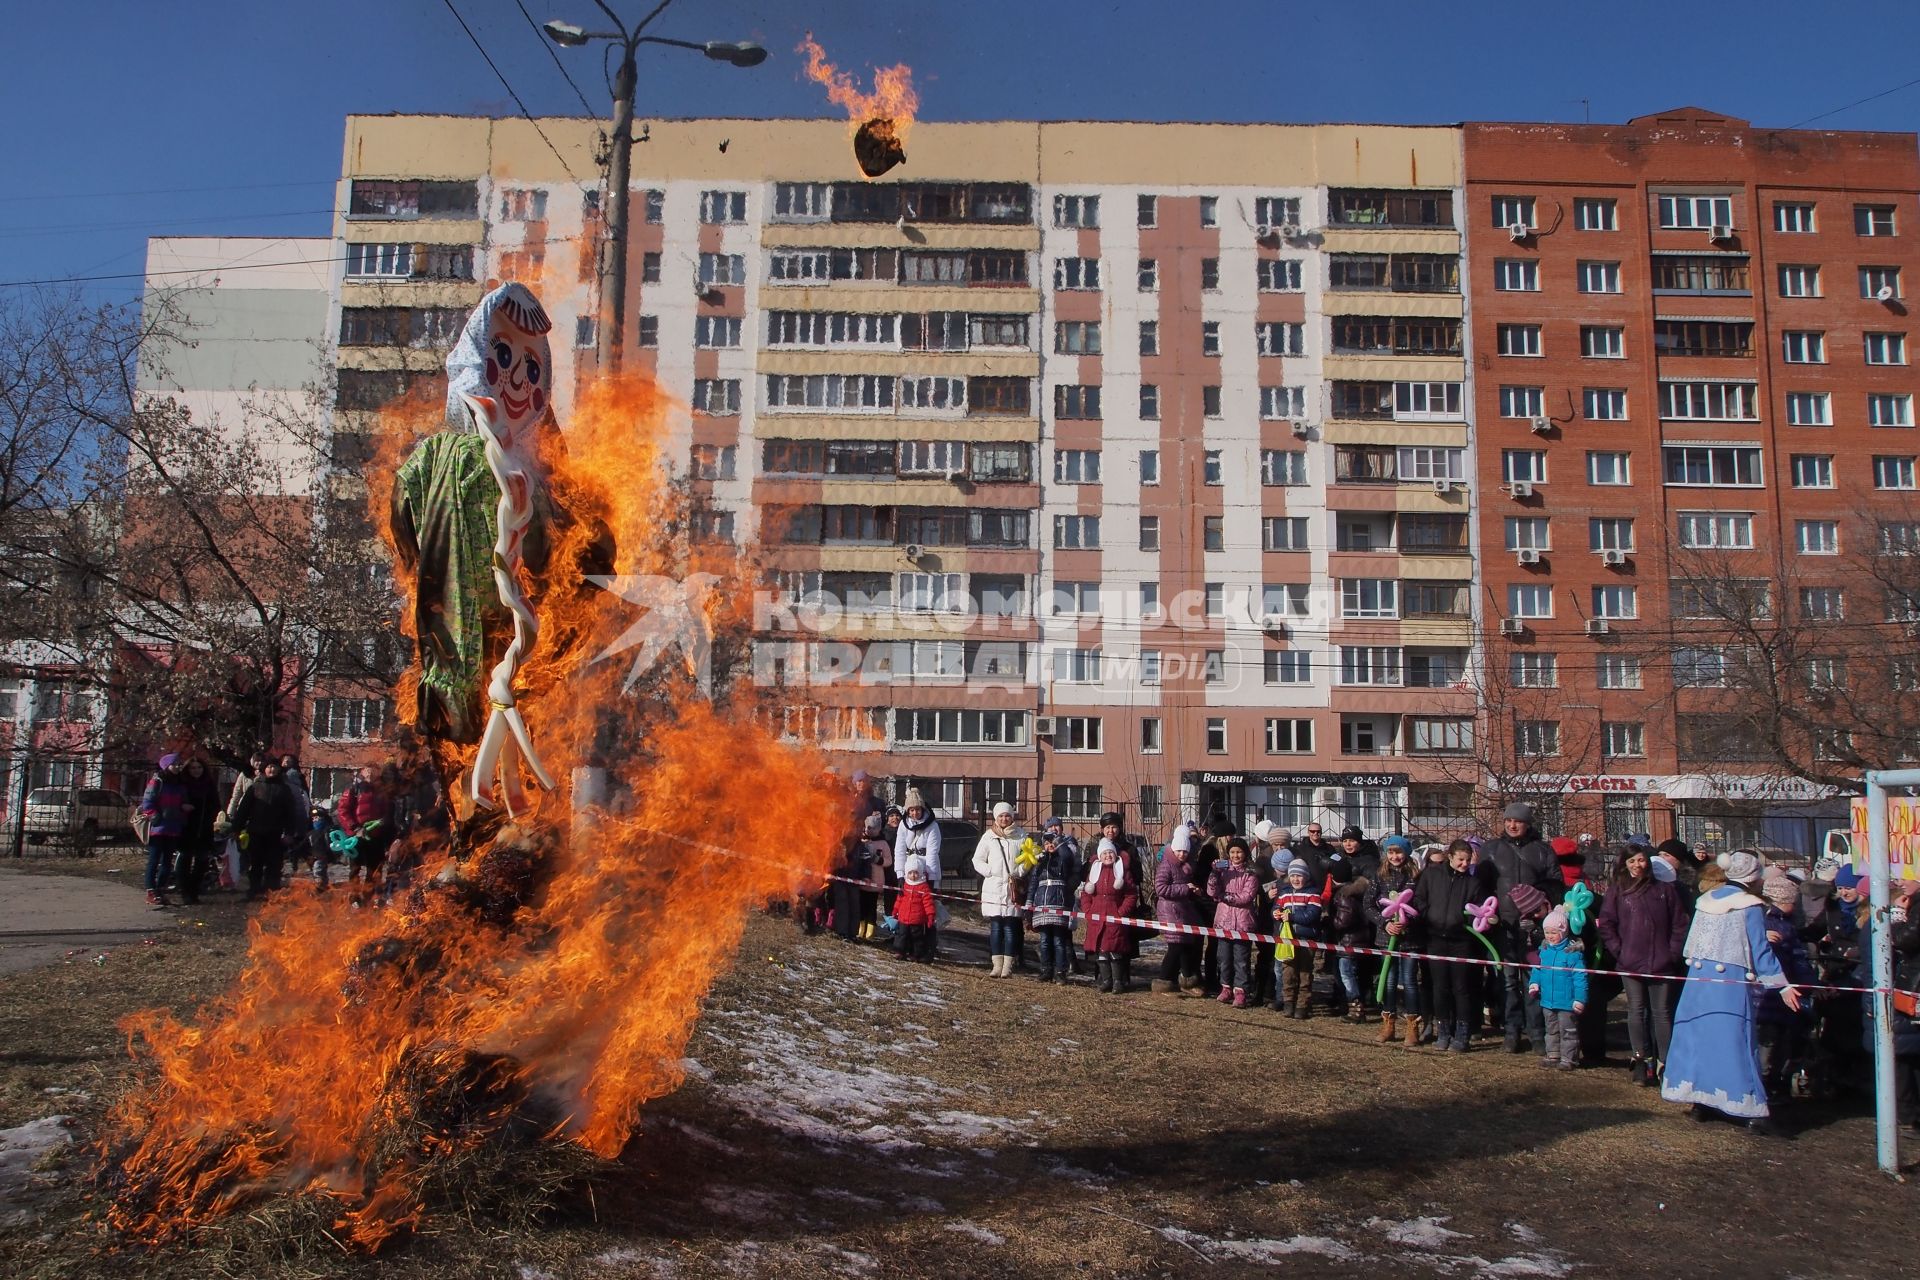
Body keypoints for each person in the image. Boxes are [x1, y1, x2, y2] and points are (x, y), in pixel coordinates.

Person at [1661, 851, 1803, 1133]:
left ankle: (1702, 1100)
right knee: (1735, 1040)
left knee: (1700, 1038)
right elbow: (1760, 951)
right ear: (1752, 878)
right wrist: (1783, 985)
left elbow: (1694, 945)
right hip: (1730, 983)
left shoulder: (1705, 901)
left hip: (1699, 981)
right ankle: (1748, 1107)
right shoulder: (1749, 906)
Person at [1597, 840, 1690, 1087]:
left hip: (1661, 962)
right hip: (1630, 961)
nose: (1637, 865)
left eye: (1640, 860)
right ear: (1625, 865)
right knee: (1636, 1011)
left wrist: (1672, 953)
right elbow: (1606, 923)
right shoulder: (1618, 890)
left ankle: (1666, 1063)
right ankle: (1641, 1059)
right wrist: (1620, 950)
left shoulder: (1664, 890)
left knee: (1662, 1013)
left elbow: (1679, 924)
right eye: (1632, 861)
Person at [1479, 802, 1561, 1053]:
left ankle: (1536, 1033)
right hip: (1504, 925)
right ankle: (1511, 1031)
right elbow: (1481, 885)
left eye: (1518, 821)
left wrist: (1541, 905)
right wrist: (1488, 912)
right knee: (1508, 981)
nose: (1512, 825)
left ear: (1527, 824)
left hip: (1533, 927)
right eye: (1508, 821)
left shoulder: (1542, 850)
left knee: (1533, 981)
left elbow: (1556, 883)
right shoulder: (1491, 849)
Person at [1415, 839, 1481, 1053]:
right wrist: (1428, 916)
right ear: (1450, 857)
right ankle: (1443, 1030)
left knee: (1461, 988)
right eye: (1461, 859)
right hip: (1435, 939)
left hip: (1460, 941)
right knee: (1439, 987)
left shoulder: (1473, 883)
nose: (1464, 864)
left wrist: (1471, 922)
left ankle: (1462, 1033)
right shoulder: (1432, 875)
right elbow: (1419, 899)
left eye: (1468, 860)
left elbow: (1477, 909)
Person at [1758, 872, 1817, 1101]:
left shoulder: (1781, 924)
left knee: (1774, 1040)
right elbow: (1797, 959)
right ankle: (1767, 1083)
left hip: (1775, 992)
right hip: (1773, 993)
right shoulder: (1777, 926)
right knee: (1770, 1042)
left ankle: (1771, 1081)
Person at [1366, 835, 1423, 1047]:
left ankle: (1412, 1025)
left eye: (1398, 852)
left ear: (1406, 853)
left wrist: (1408, 922)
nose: (1394, 856)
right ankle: (1388, 1024)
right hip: (1386, 937)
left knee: (1409, 980)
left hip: (1410, 938)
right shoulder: (1379, 876)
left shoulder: (1416, 876)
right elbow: (1369, 905)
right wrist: (1384, 923)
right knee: (1388, 980)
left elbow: (1421, 904)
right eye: (1390, 852)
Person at [229, 757, 303, 900]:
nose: (272, 769)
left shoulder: (284, 789)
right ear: (264, 769)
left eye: (275, 767)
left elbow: (290, 813)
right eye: (269, 767)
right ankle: (254, 890)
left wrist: (289, 832)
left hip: (275, 833)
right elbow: (244, 809)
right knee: (255, 863)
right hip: (256, 831)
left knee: (274, 864)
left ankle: (272, 893)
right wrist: (236, 828)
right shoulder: (255, 787)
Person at [973, 801, 1030, 978]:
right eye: (1001, 816)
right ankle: (996, 965)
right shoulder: (988, 836)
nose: (1004, 819)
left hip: (1012, 888)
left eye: (1007, 815)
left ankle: (1008, 966)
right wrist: (989, 871)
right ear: (995, 817)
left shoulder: (1021, 835)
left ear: (1012, 817)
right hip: (994, 887)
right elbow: (977, 860)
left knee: (1011, 928)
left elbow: (1028, 858)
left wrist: (1019, 872)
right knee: (996, 927)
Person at [1529, 908, 1588, 1071]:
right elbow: (1537, 969)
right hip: (1548, 1000)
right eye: (1547, 932)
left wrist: (1580, 999)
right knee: (1551, 1029)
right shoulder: (1544, 950)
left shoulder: (1572, 953)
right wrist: (1534, 983)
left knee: (1568, 1031)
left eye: (1553, 932)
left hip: (1567, 1002)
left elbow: (1580, 978)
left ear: (1563, 931)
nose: (1549, 936)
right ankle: (1553, 1054)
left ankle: (1569, 1059)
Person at [1151, 826, 1207, 995]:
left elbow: (1183, 887)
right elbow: (1161, 889)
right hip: (1169, 910)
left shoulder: (1186, 867)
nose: (1182, 854)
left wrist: (1194, 891)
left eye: (1185, 851)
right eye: (1179, 851)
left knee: (1185, 945)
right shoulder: (1166, 866)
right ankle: (1164, 980)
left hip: (1182, 910)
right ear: (1173, 850)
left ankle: (1186, 979)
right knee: (1176, 946)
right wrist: (1184, 888)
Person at [1207, 839, 1260, 1007]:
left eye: (1239, 852)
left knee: (1241, 959)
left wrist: (1224, 897)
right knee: (1223, 958)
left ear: (1245, 853)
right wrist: (1214, 873)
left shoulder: (1250, 873)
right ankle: (1226, 987)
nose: (1235, 856)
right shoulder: (1223, 871)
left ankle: (1241, 991)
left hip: (1243, 922)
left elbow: (1246, 897)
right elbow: (1211, 891)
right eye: (1232, 852)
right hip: (1223, 921)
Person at [1269, 859, 1324, 1018]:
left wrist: (1291, 916)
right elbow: (1276, 907)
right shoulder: (1284, 892)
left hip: (1307, 938)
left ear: (1305, 877)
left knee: (1305, 972)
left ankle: (1302, 1005)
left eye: (1299, 876)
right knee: (1288, 971)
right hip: (1287, 938)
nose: (1296, 879)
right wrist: (1276, 914)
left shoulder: (1313, 893)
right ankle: (1288, 1002)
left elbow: (1312, 915)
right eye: (1293, 876)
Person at [1081, 838, 1137, 994]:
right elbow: (1086, 893)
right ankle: (1106, 981)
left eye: (1110, 853)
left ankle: (1118, 981)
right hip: (1097, 918)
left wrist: (1121, 912)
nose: (1108, 856)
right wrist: (1087, 909)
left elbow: (1131, 894)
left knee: (1115, 950)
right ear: (1100, 855)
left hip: (1115, 918)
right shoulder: (1094, 872)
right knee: (1102, 952)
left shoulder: (1122, 872)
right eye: (1105, 853)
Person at [137, 754, 194, 907]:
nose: (177, 767)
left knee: (167, 862)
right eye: (174, 764)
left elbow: (183, 801)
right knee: (154, 860)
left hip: (173, 826)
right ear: (166, 766)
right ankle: (151, 890)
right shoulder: (157, 782)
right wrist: (155, 816)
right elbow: (147, 802)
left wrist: (184, 808)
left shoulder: (180, 784)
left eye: (179, 764)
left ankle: (161, 889)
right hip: (158, 827)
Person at [1027, 820, 1080, 983]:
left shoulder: (1062, 858)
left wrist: (1058, 842)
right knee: (1044, 940)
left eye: (1053, 842)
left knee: (1058, 940)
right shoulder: (1041, 862)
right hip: (1042, 902)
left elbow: (1066, 857)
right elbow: (1033, 881)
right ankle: (1045, 969)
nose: (1050, 845)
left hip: (1058, 901)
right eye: (1047, 842)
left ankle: (1060, 971)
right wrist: (1029, 900)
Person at [1327, 857, 1375, 1022]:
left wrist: (1329, 921)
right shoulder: (1357, 892)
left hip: (1349, 942)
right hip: (1358, 940)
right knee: (1348, 974)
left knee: (1347, 974)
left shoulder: (1344, 895)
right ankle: (1348, 1004)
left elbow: (1343, 921)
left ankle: (1356, 1008)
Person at [336, 764, 396, 892]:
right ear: (362, 773)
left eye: (373, 771)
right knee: (355, 868)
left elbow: (386, 811)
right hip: (356, 835)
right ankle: (354, 896)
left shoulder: (381, 792)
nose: (371, 774)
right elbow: (343, 811)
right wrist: (354, 828)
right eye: (368, 771)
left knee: (374, 869)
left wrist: (384, 822)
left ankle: (369, 896)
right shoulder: (353, 790)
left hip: (375, 835)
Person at [176, 757, 219, 905]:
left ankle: (194, 890)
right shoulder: (182, 784)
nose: (196, 771)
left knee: (202, 861)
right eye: (193, 768)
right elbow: (175, 802)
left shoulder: (208, 784)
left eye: (199, 768)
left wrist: (213, 817)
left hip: (204, 827)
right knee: (185, 859)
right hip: (186, 827)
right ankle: (185, 891)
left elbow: (216, 804)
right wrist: (182, 807)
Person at [893, 788, 943, 886]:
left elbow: (932, 852)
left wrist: (931, 877)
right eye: (912, 810)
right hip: (910, 869)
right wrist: (900, 874)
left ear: (922, 809)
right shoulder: (903, 825)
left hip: (926, 867)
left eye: (917, 809)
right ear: (908, 811)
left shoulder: (932, 826)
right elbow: (899, 850)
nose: (915, 813)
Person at [892, 855, 937, 963]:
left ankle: (915, 954)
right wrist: (895, 910)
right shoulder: (905, 885)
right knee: (901, 935)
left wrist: (930, 916)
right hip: (903, 917)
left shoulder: (923, 887)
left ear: (920, 873)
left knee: (916, 938)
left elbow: (928, 903)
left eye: (916, 873)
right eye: (911, 873)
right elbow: (899, 899)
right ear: (907, 873)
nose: (913, 875)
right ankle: (899, 951)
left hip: (917, 919)